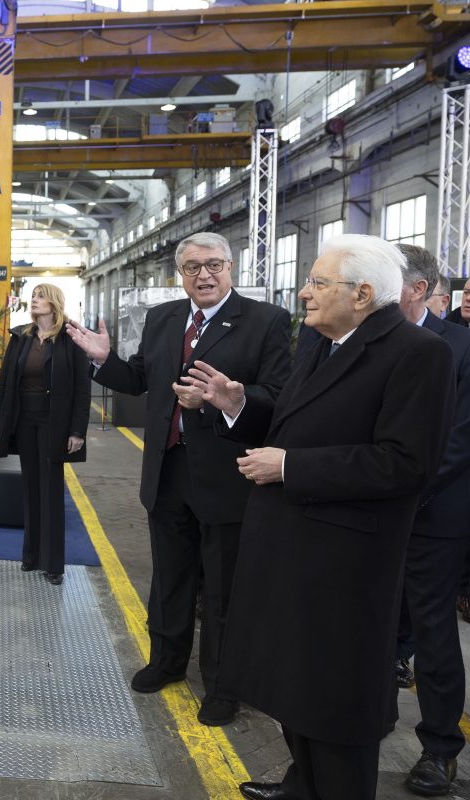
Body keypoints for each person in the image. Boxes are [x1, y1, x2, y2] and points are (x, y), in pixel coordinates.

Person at [185, 234, 454, 800]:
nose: (304, 293)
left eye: (317, 282)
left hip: (345, 565)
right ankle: (302, 784)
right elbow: (295, 423)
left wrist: (291, 467)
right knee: (297, 691)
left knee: (335, 708)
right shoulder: (321, 343)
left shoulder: (416, 353)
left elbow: (405, 464)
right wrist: (237, 404)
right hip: (295, 550)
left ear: (362, 294)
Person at [66, 231, 292, 727]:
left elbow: (278, 395)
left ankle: (223, 686)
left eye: (213, 265)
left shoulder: (266, 320)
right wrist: (104, 360)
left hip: (228, 476)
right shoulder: (164, 318)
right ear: (180, 274)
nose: (203, 275)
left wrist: (226, 400)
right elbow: (140, 378)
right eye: (192, 267)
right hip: (167, 470)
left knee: (223, 589)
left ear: (230, 267)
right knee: (170, 578)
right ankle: (167, 662)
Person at [390, 245, 470, 796]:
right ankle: (366, 717)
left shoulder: (460, 347)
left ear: (419, 289)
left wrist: (395, 489)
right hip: (370, 509)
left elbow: (459, 440)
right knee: (369, 623)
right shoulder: (364, 341)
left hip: (433, 513)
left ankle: (440, 749)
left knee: (432, 630)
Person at [0, 284, 90, 585]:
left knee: (51, 492)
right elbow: (5, 383)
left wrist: (77, 431)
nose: (34, 300)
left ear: (54, 302)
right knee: (30, 489)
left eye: (40, 296)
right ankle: (31, 556)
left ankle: (53, 564)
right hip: (24, 421)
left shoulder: (70, 338)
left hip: (53, 423)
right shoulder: (21, 337)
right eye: (33, 296)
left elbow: (82, 389)